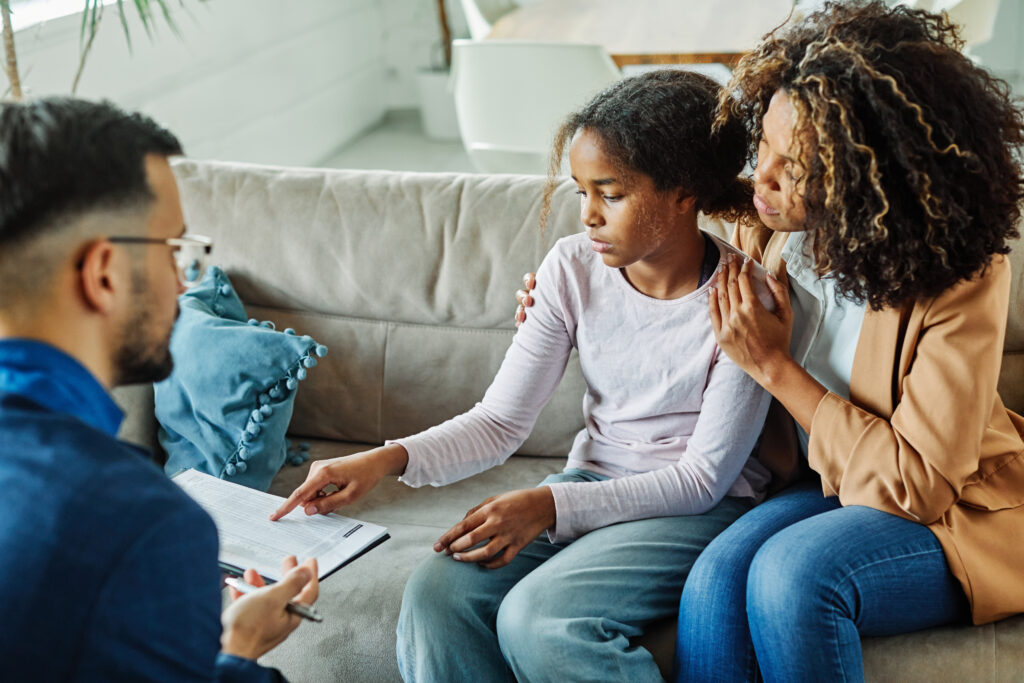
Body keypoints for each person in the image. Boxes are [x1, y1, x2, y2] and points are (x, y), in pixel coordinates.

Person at [515, 2, 1024, 681]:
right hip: (820, 486)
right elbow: (657, 195)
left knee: (791, 578)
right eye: (765, 150)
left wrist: (775, 366)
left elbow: (917, 484)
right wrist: (558, 293)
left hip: (946, 510)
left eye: (795, 165)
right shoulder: (773, 225)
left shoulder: (960, 276)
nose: (763, 177)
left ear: (871, 180)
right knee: (712, 584)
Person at [272, 70, 775, 682]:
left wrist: (548, 504)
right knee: (438, 594)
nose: (588, 216)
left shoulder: (745, 302)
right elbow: (500, 420)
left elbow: (700, 480)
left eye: (610, 194)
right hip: (593, 478)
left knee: (542, 620)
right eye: (581, 192)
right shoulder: (570, 267)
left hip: (696, 508)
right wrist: (383, 461)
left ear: (683, 193)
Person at [0, 97, 319, 682]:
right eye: (173, 251)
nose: (182, 281)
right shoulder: (141, 526)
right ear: (104, 274)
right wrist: (239, 659)